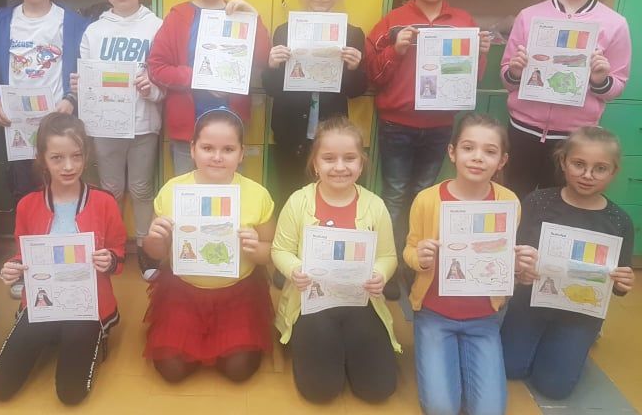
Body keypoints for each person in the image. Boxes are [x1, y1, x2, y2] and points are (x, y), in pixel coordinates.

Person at [366, 0, 491, 298]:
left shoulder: (463, 22)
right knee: (394, 195)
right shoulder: (393, 22)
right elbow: (374, 75)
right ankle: (388, 267)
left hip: (439, 126)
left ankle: (414, 264)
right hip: (397, 124)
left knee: (424, 197)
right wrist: (396, 48)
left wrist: (480, 53)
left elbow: (471, 80)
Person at [0, 113, 127, 405]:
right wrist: (14, 269)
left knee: (70, 393)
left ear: (86, 156)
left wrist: (110, 260)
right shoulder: (27, 205)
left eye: (76, 156)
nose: (68, 166)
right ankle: (54, 336)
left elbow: (118, 251)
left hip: (86, 305)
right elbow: (23, 254)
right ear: (42, 159)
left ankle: (88, 339)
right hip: (44, 303)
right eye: (57, 158)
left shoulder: (104, 202)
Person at [271, 116, 399, 404]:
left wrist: (380, 273)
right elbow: (280, 250)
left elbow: (387, 255)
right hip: (312, 302)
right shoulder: (298, 202)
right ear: (315, 164)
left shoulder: (375, 206)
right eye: (329, 158)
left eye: (349, 158)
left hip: (361, 301)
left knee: (378, 390)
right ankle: (328, 348)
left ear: (361, 164)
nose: (340, 167)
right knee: (320, 391)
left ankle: (346, 348)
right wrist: (295, 269)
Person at [501, 126, 635, 399]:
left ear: (613, 171)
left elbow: (617, 282)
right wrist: (519, 269)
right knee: (509, 368)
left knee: (553, 387)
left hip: (579, 314)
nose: (587, 175)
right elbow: (514, 255)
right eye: (579, 164)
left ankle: (579, 340)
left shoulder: (619, 221)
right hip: (531, 302)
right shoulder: (537, 202)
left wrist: (623, 283)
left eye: (600, 168)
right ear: (563, 162)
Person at [142, 108, 275, 382]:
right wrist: (155, 239)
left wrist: (256, 248)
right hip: (183, 290)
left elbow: (270, 251)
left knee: (239, 369)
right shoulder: (173, 191)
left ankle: (223, 341)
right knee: (171, 370)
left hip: (238, 292)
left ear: (241, 153)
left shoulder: (257, 194)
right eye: (207, 148)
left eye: (228, 149)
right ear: (192, 149)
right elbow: (156, 252)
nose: (217, 157)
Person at [404, 113, 523, 415]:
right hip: (434, 314)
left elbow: (504, 259)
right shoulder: (427, 200)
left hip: (484, 318)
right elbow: (409, 249)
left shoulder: (509, 202)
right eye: (468, 148)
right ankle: (446, 355)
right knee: (441, 408)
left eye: (490, 151)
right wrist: (420, 258)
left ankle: (460, 357)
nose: (478, 157)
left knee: (490, 411)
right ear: (452, 152)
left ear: (502, 160)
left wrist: (519, 266)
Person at [0, 0, 90, 297]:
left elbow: (84, 70)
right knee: (25, 196)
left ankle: (65, 262)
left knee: (62, 190)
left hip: (58, 124)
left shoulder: (72, 22)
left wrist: (71, 99)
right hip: (17, 126)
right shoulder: (2, 21)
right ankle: (26, 264)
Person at [501, 0, 631, 199]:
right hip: (523, 131)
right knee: (515, 201)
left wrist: (600, 79)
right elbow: (506, 78)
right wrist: (515, 71)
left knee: (560, 208)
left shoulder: (614, 24)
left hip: (574, 139)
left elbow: (616, 87)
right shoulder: (529, 16)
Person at [72, 0, 164, 277]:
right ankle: (113, 248)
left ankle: (146, 250)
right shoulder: (94, 32)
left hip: (144, 123)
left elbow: (163, 80)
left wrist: (152, 88)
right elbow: (86, 83)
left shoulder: (157, 27)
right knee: (110, 190)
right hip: (105, 128)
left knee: (141, 189)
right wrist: (80, 85)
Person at [147, 0, 271, 175]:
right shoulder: (178, 17)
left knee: (230, 191)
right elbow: (156, 68)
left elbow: (263, 59)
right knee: (187, 188)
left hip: (231, 129)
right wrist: (198, 78)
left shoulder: (241, 15)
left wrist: (254, 17)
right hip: (188, 130)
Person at [262, 0, 367, 213]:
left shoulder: (352, 35)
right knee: (289, 194)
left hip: (332, 134)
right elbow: (272, 89)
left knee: (328, 196)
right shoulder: (284, 32)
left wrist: (355, 67)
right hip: (290, 132)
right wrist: (272, 65)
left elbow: (356, 90)